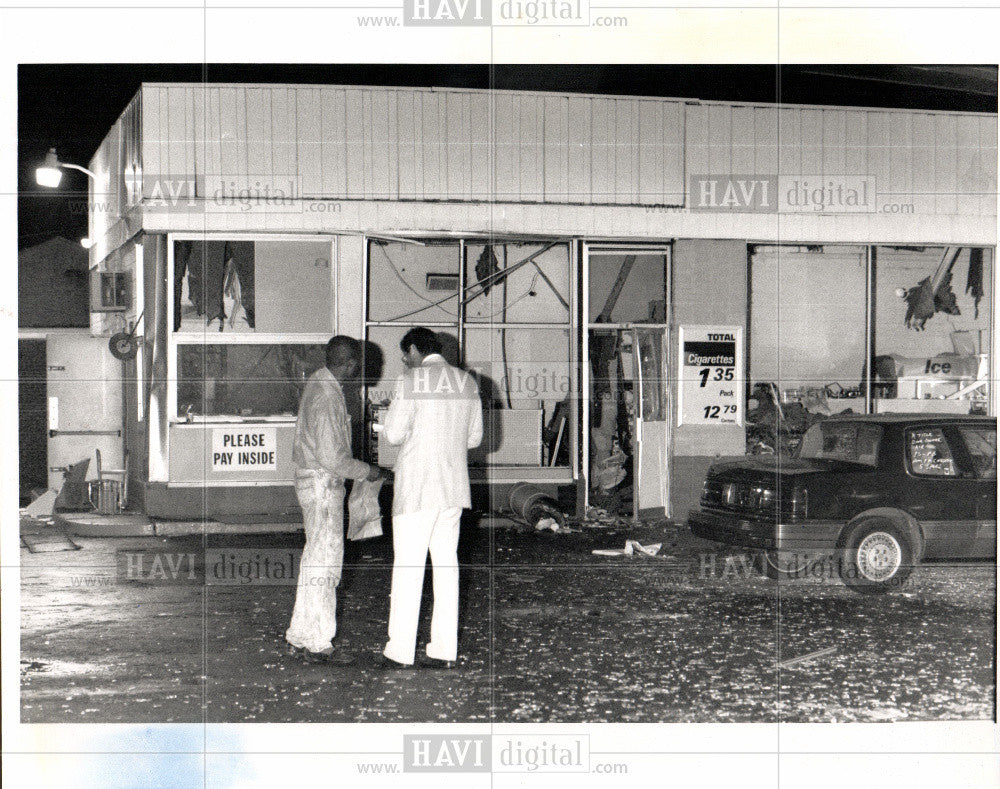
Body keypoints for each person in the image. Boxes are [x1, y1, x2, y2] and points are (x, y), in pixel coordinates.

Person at [378, 328, 483, 669]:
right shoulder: (467, 382)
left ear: (413, 349)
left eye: (404, 355)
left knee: (408, 568)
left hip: (417, 489)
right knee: (447, 567)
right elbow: (474, 439)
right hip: (453, 489)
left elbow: (392, 435)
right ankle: (443, 648)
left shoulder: (410, 380)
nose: (404, 361)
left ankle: (401, 650)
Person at [286, 336, 383, 664]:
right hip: (323, 485)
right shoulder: (327, 396)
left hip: (312, 483)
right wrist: (366, 470)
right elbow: (332, 456)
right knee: (327, 564)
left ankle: (301, 634)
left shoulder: (318, 385)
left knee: (314, 561)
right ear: (351, 363)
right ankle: (319, 642)